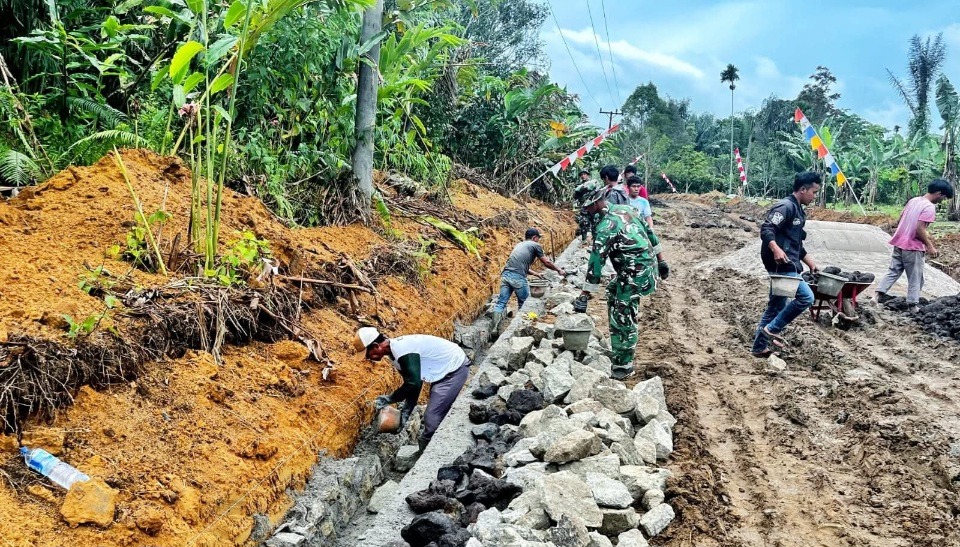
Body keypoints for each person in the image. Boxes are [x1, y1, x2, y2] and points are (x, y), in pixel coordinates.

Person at [574, 182, 669, 379]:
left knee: (623, 314)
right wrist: (661, 262)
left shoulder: (605, 226)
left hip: (635, 273)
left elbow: (596, 262)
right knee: (612, 293)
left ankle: (623, 366)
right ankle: (618, 348)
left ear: (595, 203)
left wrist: (584, 295)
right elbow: (651, 234)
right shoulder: (626, 209)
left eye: (587, 207)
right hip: (640, 268)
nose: (586, 212)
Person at [355, 327, 470, 451]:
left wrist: (390, 398)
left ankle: (434, 455)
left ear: (376, 346)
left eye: (367, 354)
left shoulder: (403, 350)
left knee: (431, 418)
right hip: (443, 370)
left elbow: (413, 384)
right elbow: (414, 383)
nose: (368, 358)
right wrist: (406, 413)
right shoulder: (394, 355)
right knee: (436, 413)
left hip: (453, 368)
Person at [751, 172, 821, 357]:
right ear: (803, 189)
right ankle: (772, 329)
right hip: (781, 264)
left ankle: (759, 347)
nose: (814, 196)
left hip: (789, 261)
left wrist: (810, 263)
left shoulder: (798, 210)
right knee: (806, 298)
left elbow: (796, 243)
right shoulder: (785, 206)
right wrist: (775, 249)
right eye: (813, 192)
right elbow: (767, 229)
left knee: (775, 307)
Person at [874, 179, 955, 311]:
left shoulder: (913, 201)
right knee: (916, 278)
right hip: (912, 247)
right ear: (939, 193)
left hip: (899, 243)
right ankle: (912, 305)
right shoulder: (929, 207)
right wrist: (930, 246)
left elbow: (900, 220)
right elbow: (919, 229)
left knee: (893, 272)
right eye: (944, 197)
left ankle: (876, 296)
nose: (943, 200)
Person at [493, 228, 566, 328]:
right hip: (517, 277)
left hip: (505, 275)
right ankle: (519, 328)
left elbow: (519, 265)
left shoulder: (519, 245)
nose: (538, 240)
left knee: (500, 303)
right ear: (534, 237)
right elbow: (546, 262)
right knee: (524, 302)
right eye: (538, 238)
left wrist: (536, 274)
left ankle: (494, 328)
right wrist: (558, 270)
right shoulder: (535, 245)